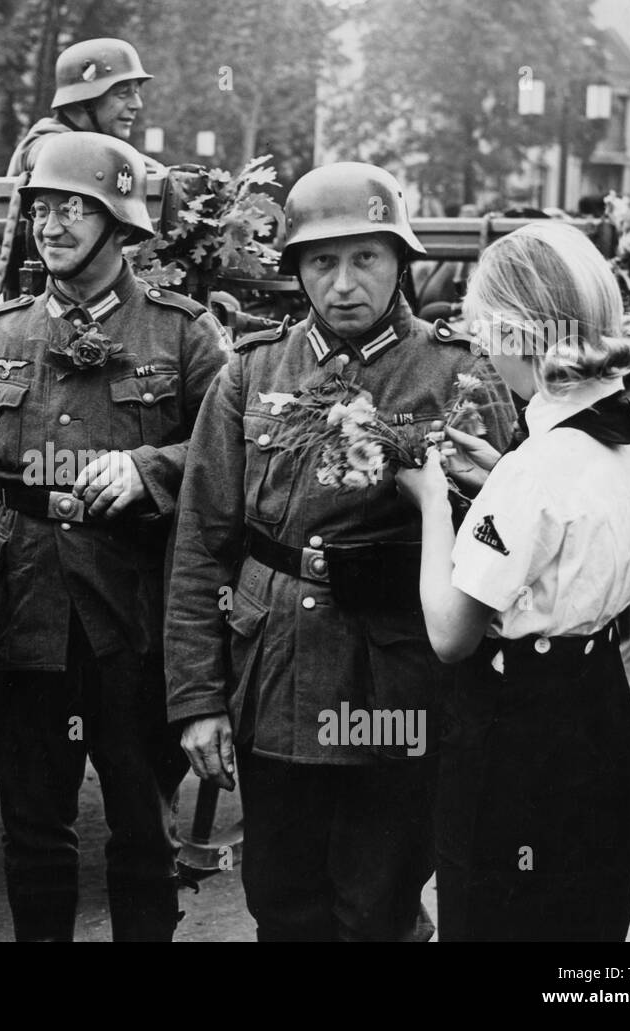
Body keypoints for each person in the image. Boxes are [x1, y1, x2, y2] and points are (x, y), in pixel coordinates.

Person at [164, 161, 515, 942]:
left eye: (366, 258)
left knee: (378, 907)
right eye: (323, 260)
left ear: (400, 264)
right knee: (282, 902)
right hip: (274, 679)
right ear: (296, 270)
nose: (345, 282)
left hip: (393, 686)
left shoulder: (458, 372)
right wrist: (196, 699)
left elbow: (500, 552)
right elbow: (201, 546)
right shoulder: (251, 371)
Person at [0, 132, 228, 941]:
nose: (53, 223)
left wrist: (151, 467)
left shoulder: (182, 334)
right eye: (43, 207)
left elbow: (229, 454)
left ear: (121, 224)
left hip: (134, 616)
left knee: (144, 831)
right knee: (33, 830)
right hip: (23, 608)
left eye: (76, 207)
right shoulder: (2, 332)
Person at [394, 222, 630, 941]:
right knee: (582, 916)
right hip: (602, 710)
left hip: (515, 732)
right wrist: (502, 479)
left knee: (494, 914)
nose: (483, 351)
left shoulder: (534, 471)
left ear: (522, 335)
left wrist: (434, 505)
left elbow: (451, 633)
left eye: (488, 333)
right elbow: (603, 545)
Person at [7, 38, 156, 177]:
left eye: (136, 92)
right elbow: (55, 154)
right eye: (123, 94)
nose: (137, 104)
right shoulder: (42, 144)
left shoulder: (94, 153)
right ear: (84, 100)